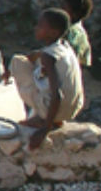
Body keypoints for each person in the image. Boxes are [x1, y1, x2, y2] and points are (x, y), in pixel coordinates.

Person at [7, 8, 84, 150]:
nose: (36, 28)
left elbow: (57, 94)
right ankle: (51, 117)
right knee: (29, 64)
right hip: (72, 109)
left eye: (41, 26)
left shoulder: (49, 57)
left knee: (17, 62)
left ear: (53, 32)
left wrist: (44, 130)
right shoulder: (64, 47)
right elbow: (36, 54)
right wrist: (9, 72)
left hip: (56, 107)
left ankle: (42, 117)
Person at [61, 0, 93, 68]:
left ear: (75, 13)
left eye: (64, 8)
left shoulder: (72, 33)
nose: (60, 10)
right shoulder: (81, 32)